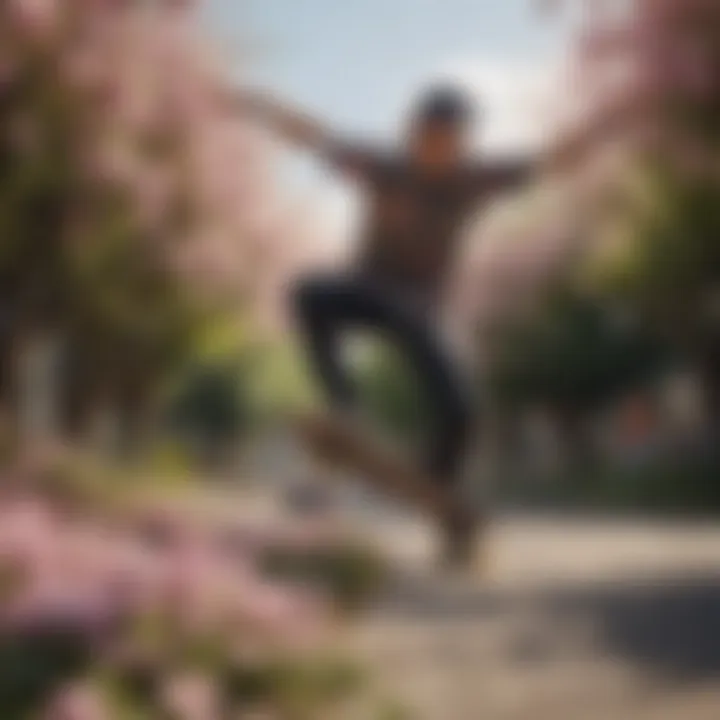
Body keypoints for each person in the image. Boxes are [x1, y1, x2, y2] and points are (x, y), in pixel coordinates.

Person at [227, 83, 569, 567]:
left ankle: (446, 510)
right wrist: (258, 106)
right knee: (308, 292)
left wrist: (618, 120)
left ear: (463, 143)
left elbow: (551, 161)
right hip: (364, 293)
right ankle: (345, 404)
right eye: (428, 137)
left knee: (461, 413)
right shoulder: (384, 167)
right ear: (412, 135)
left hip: (420, 313)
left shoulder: (474, 179)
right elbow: (315, 137)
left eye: (448, 141)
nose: (436, 149)